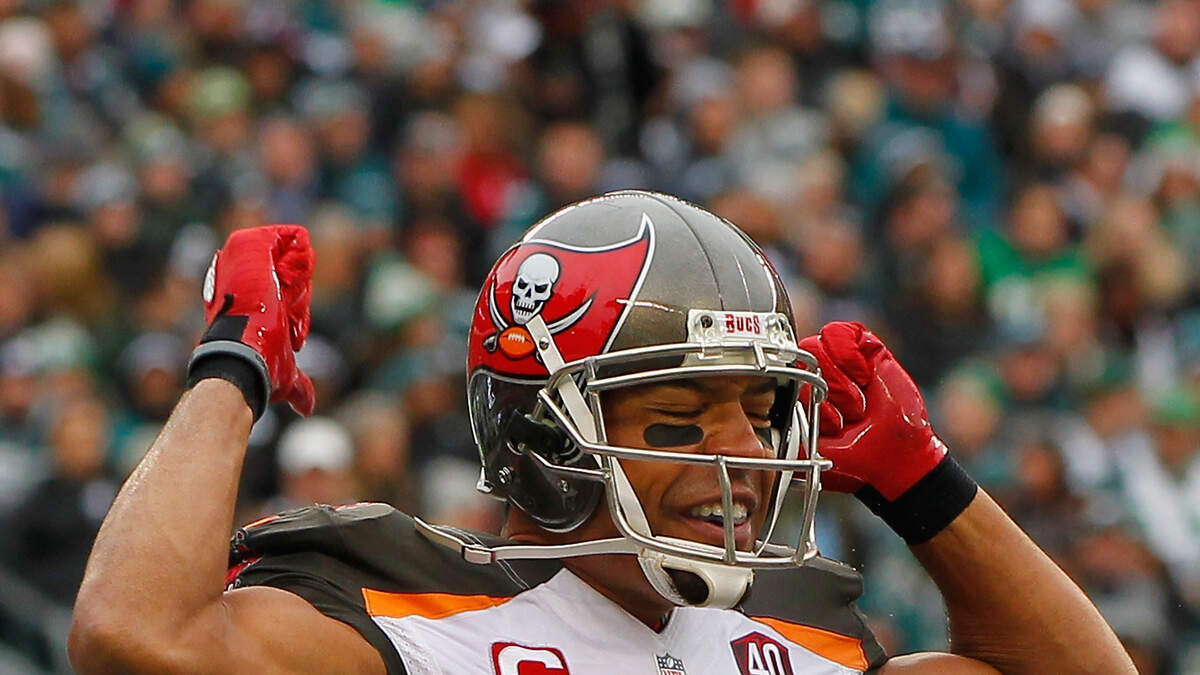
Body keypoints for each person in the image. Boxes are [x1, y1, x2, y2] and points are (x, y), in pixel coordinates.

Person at [68, 191, 1134, 674]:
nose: (745, 456)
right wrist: (232, 366)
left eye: (763, 414)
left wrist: (925, 483)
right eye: (679, 420)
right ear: (542, 439)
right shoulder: (410, 620)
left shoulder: (801, 635)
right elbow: (137, 637)